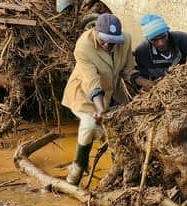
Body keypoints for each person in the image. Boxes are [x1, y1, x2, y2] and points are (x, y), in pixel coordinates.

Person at [62, 13, 153, 185]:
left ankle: (117, 170)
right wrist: (100, 109)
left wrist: (149, 84)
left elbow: (129, 70)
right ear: (96, 32)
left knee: (123, 129)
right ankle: (78, 167)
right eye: (104, 40)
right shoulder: (83, 47)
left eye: (113, 42)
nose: (108, 45)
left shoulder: (124, 40)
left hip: (111, 93)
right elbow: (92, 81)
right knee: (90, 126)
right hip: (85, 95)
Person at [133, 14, 187, 81]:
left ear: (167, 32)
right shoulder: (142, 53)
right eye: (154, 40)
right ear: (148, 39)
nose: (161, 43)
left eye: (163, 37)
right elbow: (145, 78)